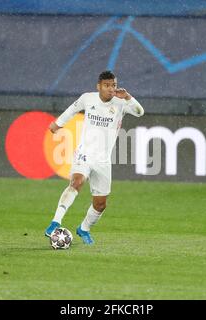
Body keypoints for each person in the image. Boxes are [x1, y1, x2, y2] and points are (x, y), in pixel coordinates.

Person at [44, 70, 144, 245]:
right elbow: (72, 109)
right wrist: (58, 124)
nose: (111, 89)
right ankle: (55, 222)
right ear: (98, 86)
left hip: (103, 161)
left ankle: (84, 228)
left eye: (113, 85)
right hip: (85, 154)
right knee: (76, 182)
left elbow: (139, 112)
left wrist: (128, 97)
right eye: (106, 85)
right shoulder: (87, 98)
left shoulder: (121, 103)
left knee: (100, 204)